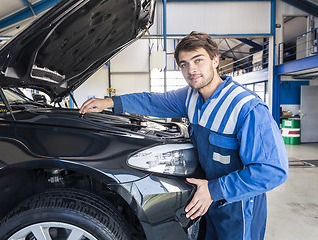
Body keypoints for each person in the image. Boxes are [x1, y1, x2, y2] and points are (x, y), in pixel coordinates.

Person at [79, 32, 288, 240]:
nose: (191, 70)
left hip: (239, 206)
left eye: (198, 60)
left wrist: (214, 190)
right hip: (208, 198)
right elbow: (152, 101)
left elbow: (272, 170)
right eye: (184, 64)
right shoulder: (190, 97)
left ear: (215, 60)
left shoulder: (246, 108)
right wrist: (110, 102)